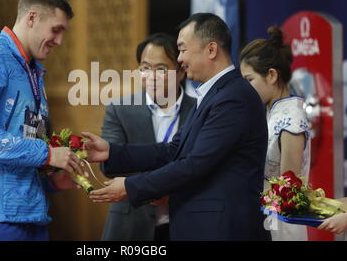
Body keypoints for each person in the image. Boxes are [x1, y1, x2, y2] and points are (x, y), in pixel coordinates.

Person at [83, 13, 270, 241]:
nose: (180, 58)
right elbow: (173, 150)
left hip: (222, 229)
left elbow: (195, 164)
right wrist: (112, 152)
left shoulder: (233, 97)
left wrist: (132, 186)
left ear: (211, 50)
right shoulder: (214, 94)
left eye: (182, 49)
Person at [0, 0, 85, 241]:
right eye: (56, 30)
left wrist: (50, 182)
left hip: (32, 216)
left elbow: (24, 145)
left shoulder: (33, 71)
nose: (59, 41)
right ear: (32, 18)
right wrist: (47, 153)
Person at [100, 33, 195, 241]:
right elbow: (109, 164)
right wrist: (151, 188)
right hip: (131, 224)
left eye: (161, 69)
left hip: (182, 221)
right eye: (144, 68)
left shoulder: (198, 110)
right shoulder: (121, 109)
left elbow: (202, 164)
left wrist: (170, 190)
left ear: (180, 72)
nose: (151, 76)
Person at [239, 26, 311, 241]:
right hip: (265, 220)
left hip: (283, 226)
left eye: (249, 80)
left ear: (271, 75)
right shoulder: (271, 111)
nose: (245, 89)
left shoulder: (292, 118)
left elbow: (289, 190)